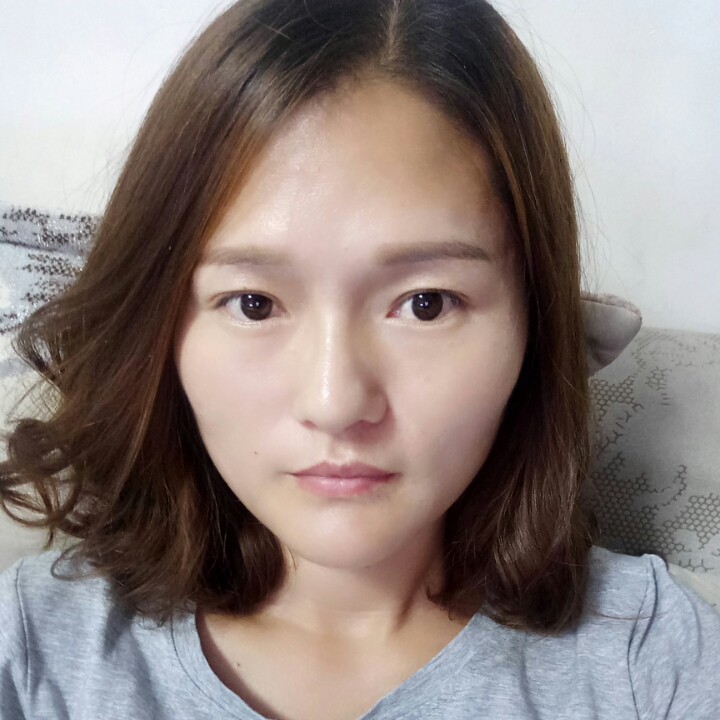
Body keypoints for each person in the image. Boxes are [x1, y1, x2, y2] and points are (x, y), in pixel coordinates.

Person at [1, 1, 719, 718]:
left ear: (533, 325)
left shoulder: (649, 658)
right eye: (253, 303)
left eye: (426, 304)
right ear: (159, 330)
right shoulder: (35, 650)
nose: (335, 402)